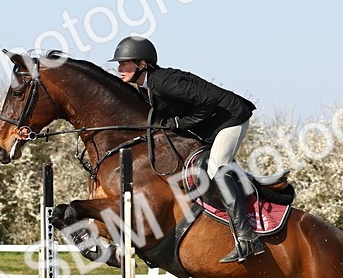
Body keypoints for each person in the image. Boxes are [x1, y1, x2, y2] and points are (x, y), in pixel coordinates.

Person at [109, 35, 265, 263]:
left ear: (142, 64)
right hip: (212, 124)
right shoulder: (146, 87)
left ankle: (247, 238)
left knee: (215, 170)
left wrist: (182, 123)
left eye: (124, 63)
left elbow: (207, 102)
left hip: (231, 118)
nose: (120, 68)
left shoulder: (163, 82)